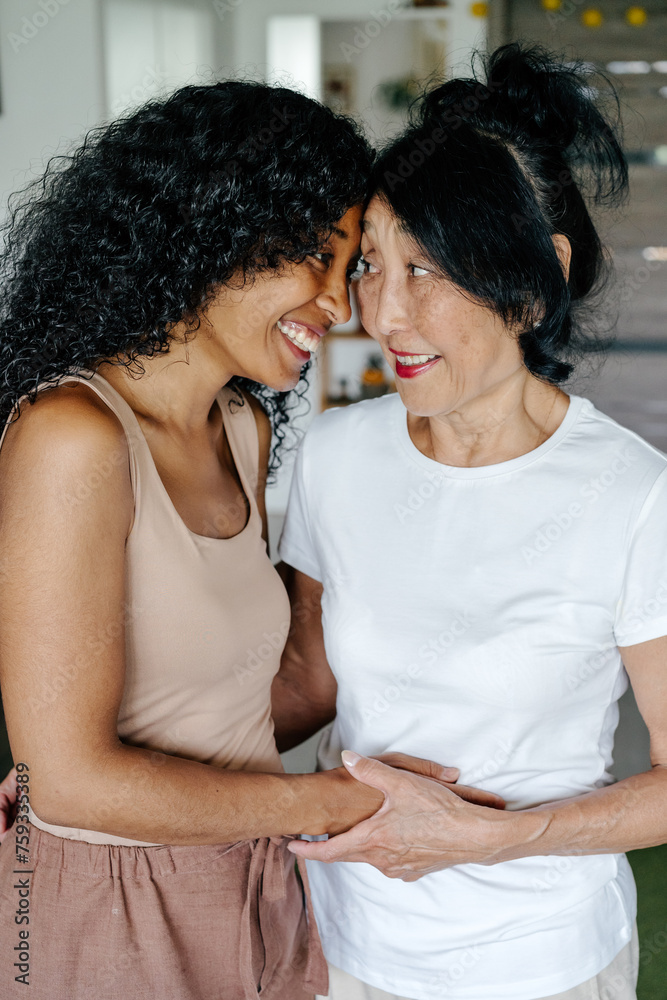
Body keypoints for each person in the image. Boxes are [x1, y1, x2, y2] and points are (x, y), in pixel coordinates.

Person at [0, 80, 495, 1000]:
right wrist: (343, 801)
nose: (338, 306)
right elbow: (64, 783)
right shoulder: (72, 439)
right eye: (314, 255)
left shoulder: (241, 428)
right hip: (114, 897)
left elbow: (239, 699)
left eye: (344, 267)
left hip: (251, 876)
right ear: (209, 231)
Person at [273, 45, 667, 1000]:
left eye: (431, 270)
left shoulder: (633, 496)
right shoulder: (337, 453)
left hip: (543, 961)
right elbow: (308, 681)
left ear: (535, 283)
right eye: (372, 264)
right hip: (345, 945)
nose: (385, 314)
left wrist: (489, 837)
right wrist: (109, 772)